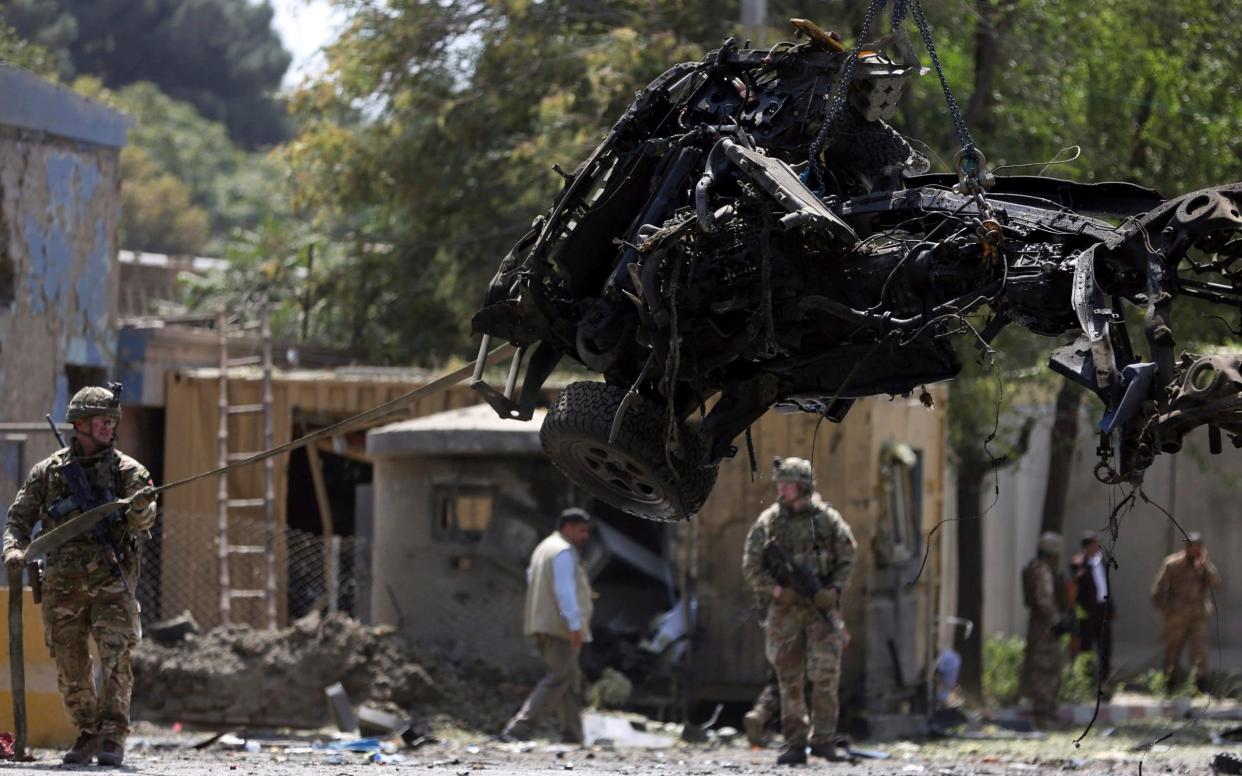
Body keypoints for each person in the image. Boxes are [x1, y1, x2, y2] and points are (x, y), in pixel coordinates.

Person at [2, 386, 156, 766]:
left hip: (111, 585)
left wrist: (139, 509)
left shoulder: (129, 473)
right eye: (102, 421)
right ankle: (88, 732)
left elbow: (145, 521)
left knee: (116, 658)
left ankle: (113, 737)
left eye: (112, 421)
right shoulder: (49, 472)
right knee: (70, 665)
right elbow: (18, 520)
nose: (109, 428)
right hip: (62, 587)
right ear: (80, 424)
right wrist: (13, 551)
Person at [742, 457, 856, 765]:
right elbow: (751, 566)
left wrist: (832, 591)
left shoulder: (828, 520)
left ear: (804, 486)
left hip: (820, 609)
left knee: (825, 675)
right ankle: (794, 742)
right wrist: (778, 591)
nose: (781, 489)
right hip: (785, 610)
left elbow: (848, 556)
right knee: (788, 677)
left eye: (788, 484)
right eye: (779, 484)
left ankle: (823, 739)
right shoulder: (769, 522)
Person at [501, 507, 595, 744]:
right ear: (568, 527)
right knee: (558, 677)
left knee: (569, 680)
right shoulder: (562, 552)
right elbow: (565, 593)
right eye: (581, 530)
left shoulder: (544, 548)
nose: (585, 536)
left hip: (545, 624)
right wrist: (574, 625)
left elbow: (533, 579)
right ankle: (519, 730)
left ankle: (573, 734)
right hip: (560, 627)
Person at [1151, 532, 1220, 692]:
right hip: (1177, 616)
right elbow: (1157, 589)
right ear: (1185, 547)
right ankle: (1170, 685)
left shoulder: (1202, 566)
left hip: (1198, 615)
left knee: (1200, 651)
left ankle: (1200, 687)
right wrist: (1167, 610)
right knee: (1173, 651)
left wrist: (1205, 564)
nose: (1194, 550)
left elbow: (1215, 582)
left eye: (1197, 547)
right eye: (1191, 546)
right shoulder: (1172, 564)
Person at [1020, 532, 1067, 729]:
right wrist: (1057, 621)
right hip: (1045, 628)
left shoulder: (1033, 569)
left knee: (1041, 670)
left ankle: (1046, 714)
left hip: (1039, 625)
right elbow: (1044, 600)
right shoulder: (1042, 572)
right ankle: (1044, 716)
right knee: (1045, 671)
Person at [1074, 530, 1113, 684]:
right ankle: (1086, 679)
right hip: (1087, 610)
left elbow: (1107, 586)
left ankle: (1104, 680)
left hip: (1102, 608)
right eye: (1095, 544)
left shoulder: (1101, 562)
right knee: (1086, 644)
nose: (1098, 547)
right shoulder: (1079, 563)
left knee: (1105, 645)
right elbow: (1076, 584)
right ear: (1087, 546)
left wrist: (1111, 608)